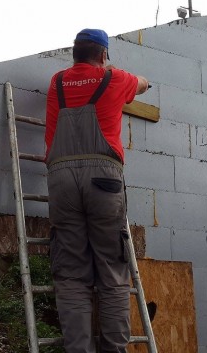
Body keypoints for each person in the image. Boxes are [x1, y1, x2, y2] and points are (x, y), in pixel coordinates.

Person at [45, 28, 149, 353]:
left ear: (74, 53)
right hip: (103, 178)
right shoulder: (114, 78)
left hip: (60, 178)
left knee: (71, 274)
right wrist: (120, 75)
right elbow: (143, 83)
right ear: (103, 54)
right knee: (112, 269)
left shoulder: (57, 81)